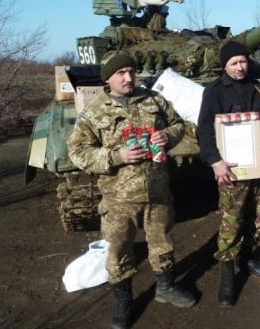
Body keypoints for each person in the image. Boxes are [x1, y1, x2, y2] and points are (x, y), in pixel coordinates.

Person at [67, 51, 195, 329]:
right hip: (119, 198)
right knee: (119, 249)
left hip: (157, 191)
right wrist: (116, 156)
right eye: (120, 73)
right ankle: (124, 299)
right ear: (108, 78)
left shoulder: (154, 99)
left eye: (131, 72)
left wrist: (167, 136)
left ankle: (165, 287)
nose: (128, 78)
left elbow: (178, 124)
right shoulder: (95, 111)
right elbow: (77, 152)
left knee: (162, 242)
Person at [196, 40, 260, 307]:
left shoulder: (259, 87)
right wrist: (215, 162)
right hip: (232, 170)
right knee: (231, 221)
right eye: (234, 63)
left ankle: (246, 256)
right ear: (225, 66)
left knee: (257, 216)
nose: (240, 67)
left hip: (259, 166)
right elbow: (204, 130)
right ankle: (227, 273)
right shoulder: (215, 91)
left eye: (243, 61)